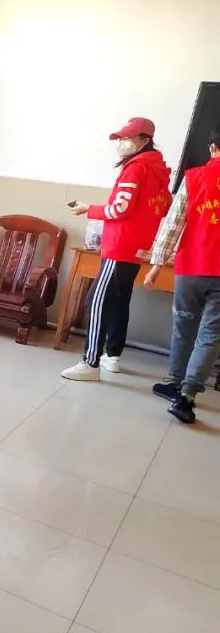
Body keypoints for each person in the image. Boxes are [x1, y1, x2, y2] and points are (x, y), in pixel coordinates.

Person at [62, 117, 172, 381]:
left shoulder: (136, 168)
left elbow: (120, 208)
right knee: (119, 300)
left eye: (126, 138)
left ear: (144, 140)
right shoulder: (158, 171)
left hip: (120, 245)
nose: (122, 143)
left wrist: (89, 209)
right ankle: (112, 355)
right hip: (137, 246)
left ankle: (90, 363)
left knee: (97, 301)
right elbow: (163, 207)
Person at [145, 123, 220, 423]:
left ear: (212, 147)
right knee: (211, 336)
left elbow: (172, 224)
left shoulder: (194, 177)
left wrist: (156, 264)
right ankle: (187, 397)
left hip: (191, 268)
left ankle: (174, 383)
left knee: (183, 327)